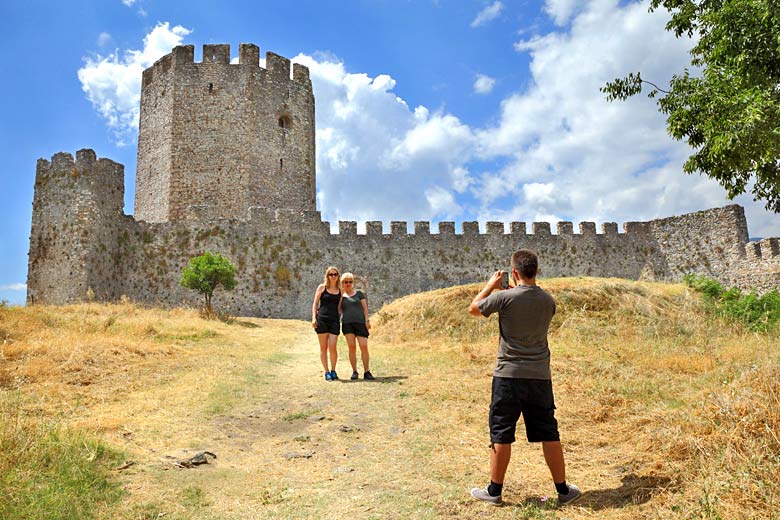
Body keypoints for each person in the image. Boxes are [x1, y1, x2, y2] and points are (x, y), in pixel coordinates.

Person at [467, 249, 580, 507]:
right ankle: (563, 490)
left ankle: (494, 491)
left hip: (507, 375)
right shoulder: (548, 301)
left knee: (501, 432)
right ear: (536, 271)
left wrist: (491, 286)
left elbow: (473, 309)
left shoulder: (504, 297)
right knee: (549, 432)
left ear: (514, 272)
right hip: (540, 377)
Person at [338, 272, 374, 380]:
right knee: (352, 347)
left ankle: (367, 371)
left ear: (352, 283)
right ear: (342, 283)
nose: (348, 284)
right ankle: (354, 371)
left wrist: (367, 320)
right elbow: (338, 309)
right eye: (345, 282)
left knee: (363, 346)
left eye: (350, 281)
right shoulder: (341, 297)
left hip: (360, 323)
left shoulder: (359, 294)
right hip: (347, 324)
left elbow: (365, 308)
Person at [312, 266, 342, 381]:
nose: (333, 276)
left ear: (338, 276)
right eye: (331, 274)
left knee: (333, 347)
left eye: (335, 274)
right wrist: (314, 318)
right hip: (322, 320)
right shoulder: (322, 288)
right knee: (323, 348)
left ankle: (333, 370)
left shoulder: (340, 290)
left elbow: (340, 308)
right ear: (327, 276)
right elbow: (315, 304)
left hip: (334, 320)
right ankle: (326, 372)